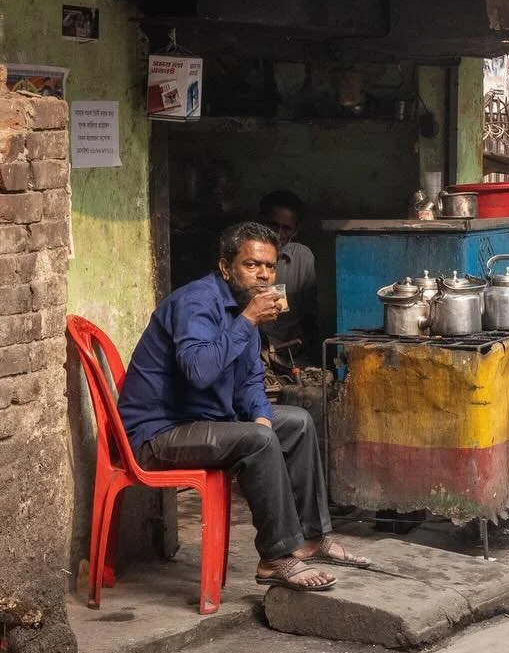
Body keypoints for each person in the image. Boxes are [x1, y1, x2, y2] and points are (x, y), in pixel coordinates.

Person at [117, 222, 371, 592]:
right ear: (225, 267)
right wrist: (248, 319)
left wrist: (262, 418)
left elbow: (252, 379)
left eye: (269, 267)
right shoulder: (196, 303)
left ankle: (311, 539)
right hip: (158, 433)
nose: (263, 275)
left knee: (296, 422)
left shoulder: (242, 309)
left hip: (205, 421)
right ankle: (275, 557)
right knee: (257, 440)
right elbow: (199, 372)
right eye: (251, 265)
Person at [256, 190, 318, 364]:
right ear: (261, 222)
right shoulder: (244, 256)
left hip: (288, 351)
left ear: (295, 230)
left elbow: (309, 313)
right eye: (273, 225)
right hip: (251, 348)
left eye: (286, 228)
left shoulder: (303, 257)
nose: (278, 233)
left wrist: (298, 340)